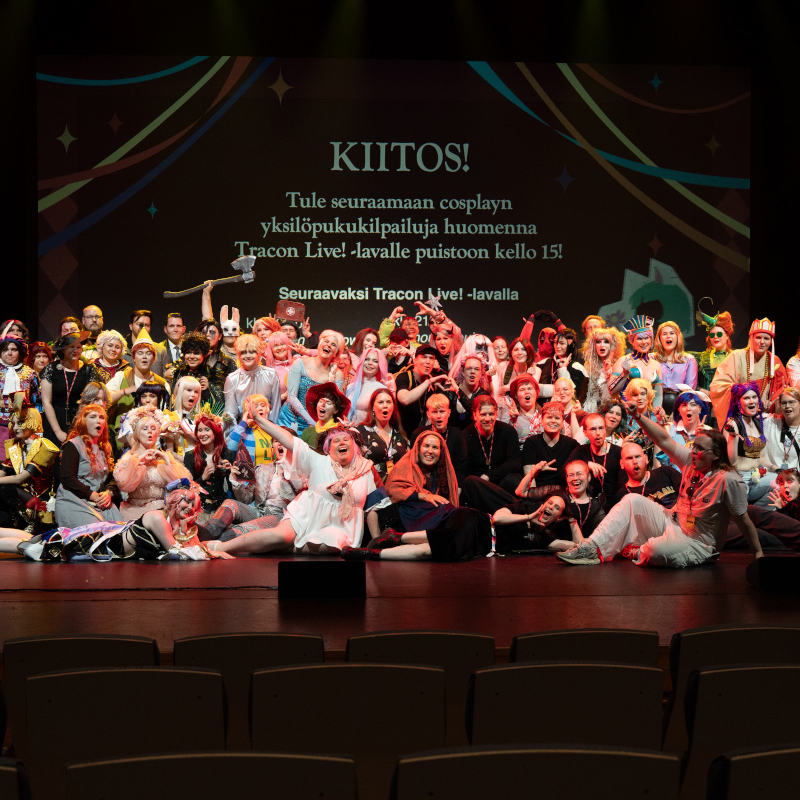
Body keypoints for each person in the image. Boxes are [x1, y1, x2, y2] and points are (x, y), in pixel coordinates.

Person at [557, 405, 764, 568]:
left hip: (698, 542)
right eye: (694, 447)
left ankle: (638, 551)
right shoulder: (690, 462)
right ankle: (590, 549)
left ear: (716, 455)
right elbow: (663, 438)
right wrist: (638, 416)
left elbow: (743, 520)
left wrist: (758, 554)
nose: (693, 452)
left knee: (654, 552)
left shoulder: (728, 479)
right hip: (672, 521)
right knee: (630, 500)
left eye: (700, 449)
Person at [209, 419, 388, 555]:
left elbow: (372, 508)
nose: (341, 443)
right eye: (335, 441)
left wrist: (376, 541)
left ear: (354, 445)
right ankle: (220, 546)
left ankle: (285, 548)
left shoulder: (366, 469)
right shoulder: (320, 461)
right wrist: (259, 419)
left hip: (340, 526)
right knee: (279, 536)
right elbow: (289, 440)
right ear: (328, 449)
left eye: (346, 439)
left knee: (335, 543)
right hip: (305, 515)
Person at [341, 431, 491, 562]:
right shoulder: (406, 468)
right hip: (429, 521)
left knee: (436, 546)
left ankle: (379, 549)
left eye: (435, 447)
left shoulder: (443, 475)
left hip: (442, 531)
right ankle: (388, 540)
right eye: (426, 446)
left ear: (441, 452)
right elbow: (382, 496)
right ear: (418, 449)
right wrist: (422, 496)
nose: (430, 451)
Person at [203, 434, 304, 541]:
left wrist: (288, 467)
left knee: (242, 529)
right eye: (276, 440)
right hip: (259, 512)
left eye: (284, 440)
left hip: (281, 516)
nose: (280, 443)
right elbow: (245, 499)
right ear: (272, 448)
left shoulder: (301, 472)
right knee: (230, 503)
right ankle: (204, 532)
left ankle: (203, 540)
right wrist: (236, 480)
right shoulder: (262, 469)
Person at [113, 407, 192, 522]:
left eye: (153, 428)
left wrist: (167, 460)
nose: (150, 432)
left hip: (164, 510)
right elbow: (123, 484)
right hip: (137, 511)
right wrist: (138, 460)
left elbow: (185, 483)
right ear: (137, 433)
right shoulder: (130, 457)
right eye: (145, 429)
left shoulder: (162, 457)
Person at [710, 317, 787, 426]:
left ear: (771, 342)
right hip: (739, 416)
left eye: (766, 338)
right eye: (758, 337)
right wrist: (734, 389)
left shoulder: (775, 361)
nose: (762, 342)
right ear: (751, 338)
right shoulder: (736, 356)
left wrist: (770, 404)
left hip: (765, 417)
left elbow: (782, 389)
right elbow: (717, 385)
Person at [55, 405, 123, 527]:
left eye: (101, 417)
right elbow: (67, 478)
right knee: (96, 532)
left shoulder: (105, 449)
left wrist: (108, 493)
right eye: (93, 417)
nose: (98, 421)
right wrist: (92, 495)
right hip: (74, 501)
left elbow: (112, 479)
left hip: (99, 503)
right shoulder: (73, 445)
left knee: (120, 531)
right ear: (83, 422)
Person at [106, 328, 169, 450]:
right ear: (133, 357)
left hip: (154, 443)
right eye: (140, 353)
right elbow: (104, 400)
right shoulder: (121, 377)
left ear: (154, 358)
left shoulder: (162, 384)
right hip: (124, 444)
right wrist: (124, 392)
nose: (144, 357)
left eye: (148, 353)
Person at [0, 409, 59, 532]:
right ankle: (19, 519)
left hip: (40, 499)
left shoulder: (44, 446)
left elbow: (20, 478)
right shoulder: (15, 446)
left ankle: (33, 522)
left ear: (32, 422)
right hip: (20, 498)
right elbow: (3, 471)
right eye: (13, 423)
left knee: (5, 488)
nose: (15, 428)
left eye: (20, 423)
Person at [276, 329, 345, 433]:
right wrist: (311, 421)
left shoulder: (338, 374)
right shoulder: (299, 363)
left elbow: (332, 405)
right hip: (288, 420)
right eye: (326, 341)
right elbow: (291, 396)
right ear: (319, 345)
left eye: (333, 344)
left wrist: (316, 424)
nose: (329, 345)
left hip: (314, 427)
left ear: (336, 353)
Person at [40, 330, 100, 446]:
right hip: (55, 420)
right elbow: (46, 402)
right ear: (63, 349)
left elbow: (93, 402)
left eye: (78, 347)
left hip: (80, 420)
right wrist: (57, 431)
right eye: (71, 347)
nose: (75, 351)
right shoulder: (51, 370)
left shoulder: (88, 370)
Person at [722, 382, 776, 505]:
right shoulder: (733, 423)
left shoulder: (757, 423)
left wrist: (776, 468)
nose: (751, 401)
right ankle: (747, 517)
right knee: (739, 512)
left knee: (779, 483)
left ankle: (756, 515)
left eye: (754, 397)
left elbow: (761, 457)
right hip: (739, 478)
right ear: (738, 402)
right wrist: (732, 437)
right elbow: (731, 461)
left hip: (756, 476)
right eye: (746, 398)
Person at [462, 396, 522, 493]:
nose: (487, 419)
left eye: (491, 414)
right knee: (470, 483)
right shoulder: (465, 436)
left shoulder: (507, 431)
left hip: (501, 479)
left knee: (514, 480)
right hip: (479, 483)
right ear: (474, 415)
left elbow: (515, 462)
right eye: (483, 414)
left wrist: (489, 476)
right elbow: (465, 470)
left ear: (496, 414)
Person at [410, 393, 468, 489]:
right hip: (423, 484)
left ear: (449, 413)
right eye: (434, 412)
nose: (438, 416)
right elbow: (413, 463)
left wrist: (457, 490)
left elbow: (461, 467)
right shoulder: (419, 434)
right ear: (428, 414)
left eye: (442, 411)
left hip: (449, 484)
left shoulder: (457, 435)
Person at [223, 333, 282, 423]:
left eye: (252, 352)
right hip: (243, 429)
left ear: (259, 353)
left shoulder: (271, 374)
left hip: (268, 429)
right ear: (238, 355)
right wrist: (237, 433)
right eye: (243, 352)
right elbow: (231, 412)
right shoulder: (232, 379)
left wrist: (273, 432)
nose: (248, 356)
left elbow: (275, 408)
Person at [182, 413, 231, 520]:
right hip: (199, 508)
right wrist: (202, 478)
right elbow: (186, 489)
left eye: (207, 430)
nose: (202, 434)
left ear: (215, 431)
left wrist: (231, 473)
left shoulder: (227, 454)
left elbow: (234, 489)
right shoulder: (190, 456)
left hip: (222, 507)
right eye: (200, 430)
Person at [395, 345, 452, 435]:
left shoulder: (434, 382)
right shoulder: (405, 377)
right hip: (402, 435)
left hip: (423, 437)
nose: (428, 362)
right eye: (424, 357)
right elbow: (404, 399)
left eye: (431, 358)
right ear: (415, 360)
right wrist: (428, 382)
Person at [610, 315, 663, 410]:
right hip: (627, 413)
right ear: (632, 341)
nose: (644, 342)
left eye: (647, 338)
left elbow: (658, 396)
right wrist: (624, 374)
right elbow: (611, 391)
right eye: (639, 339)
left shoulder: (656, 365)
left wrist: (656, 413)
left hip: (647, 415)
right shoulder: (623, 361)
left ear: (651, 339)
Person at [355, 388, 410, 481]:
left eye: (389, 402)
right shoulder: (360, 432)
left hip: (396, 489)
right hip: (371, 488)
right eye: (380, 402)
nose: (385, 406)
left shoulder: (401, 436)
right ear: (372, 407)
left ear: (393, 407)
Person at [608, 442, 681, 510]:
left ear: (646, 459)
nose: (635, 462)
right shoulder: (621, 497)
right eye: (629, 458)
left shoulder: (665, 472)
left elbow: (688, 494)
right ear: (622, 464)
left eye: (638, 456)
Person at [568, 413, 623, 504]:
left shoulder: (618, 452)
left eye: (601, 428)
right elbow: (563, 473)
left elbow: (624, 484)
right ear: (585, 432)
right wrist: (586, 464)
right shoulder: (581, 451)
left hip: (614, 503)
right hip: (587, 503)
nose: (598, 433)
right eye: (593, 429)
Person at [1, 329, 40, 448]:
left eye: (14, 350)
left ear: (20, 352)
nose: (10, 353)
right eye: (5, 350)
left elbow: (36, 402)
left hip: (23, 428)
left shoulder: (30, 373)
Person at [171, 331, 224, 410]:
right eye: (188, 352)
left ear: (205, 355)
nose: (192, 357)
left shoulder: (213, 375)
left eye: (196, 353)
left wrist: (207, 389)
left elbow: (219, 407)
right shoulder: (179, 373)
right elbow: (173, 401)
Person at [654, 321, 698, 416]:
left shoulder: (689, 360)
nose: (668, 336)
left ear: (678, 337)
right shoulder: (652, 359)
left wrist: (678, 412)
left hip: (679, 404)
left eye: (672, 333)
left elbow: (689, 390)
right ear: (659, 338)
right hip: (655, 403)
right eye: (664, 334)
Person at [581, 327, 626, 413]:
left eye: (606, 342)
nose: (602, 345)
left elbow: (612, 393)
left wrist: (609, 371)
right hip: (591, 410)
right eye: (598, 342)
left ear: (612, 346)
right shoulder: (589, 365)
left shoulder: (618, 366)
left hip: (610, 410)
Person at [691, 305, 734, 393]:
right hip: (705, 404)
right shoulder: (700, 358)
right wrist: (700, 390)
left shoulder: (735, 357)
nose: (715, 337)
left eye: (719, 334)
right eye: (712, 335)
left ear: (727, 335)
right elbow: (690, 383)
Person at [346, 347, 394, 424]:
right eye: (367, 359)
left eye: (375, 361)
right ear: (362, 362)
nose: (370, 363)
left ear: (379, 366)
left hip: (368, 434)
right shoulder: (350, 386)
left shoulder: (381, 389)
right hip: (348, 432)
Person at [538, 327, 587, 402]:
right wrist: (558, 390)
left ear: (570, 345)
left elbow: (574, 393)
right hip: (543, 410)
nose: (557, 346)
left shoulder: (578, 368)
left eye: (562, 343)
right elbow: (533, 389)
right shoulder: (542, 363)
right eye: (555, 342)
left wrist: (563, 370)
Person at [624, 378, 665, 466]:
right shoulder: (623, 418)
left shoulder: (655, 418)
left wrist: (661, 423)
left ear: (649, 396)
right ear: (629, 397)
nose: (639, 398)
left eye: (643, 394)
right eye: (635, 395)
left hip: (651, 465)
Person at [301, 382, 351, 450]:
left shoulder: (337, 433)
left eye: (328, 403)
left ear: (336, 410)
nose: (323, 404)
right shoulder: (307, 432)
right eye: (321, 401)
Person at [763, 387, 800, 473]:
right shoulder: (770, 422)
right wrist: (761, 409)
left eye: (791, 402)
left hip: (794, 481)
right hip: (771, 479)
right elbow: (747, 418)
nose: (787, 406)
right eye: (784, 403)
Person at [450, 354, 492, 430]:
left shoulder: (484, 396)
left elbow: (474, 412)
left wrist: (458, 390)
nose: (472, 371)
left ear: (481, 374)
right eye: (469, 368)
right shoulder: (450, 392)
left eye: (476, 369)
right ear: (463, 372)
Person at [668, 389, 713, 454]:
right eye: (684, 405)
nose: (688, 409)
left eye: (693, 404)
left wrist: (702, 437)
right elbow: (658, 462)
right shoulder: (669, 430)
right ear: (678, 410)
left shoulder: (708, 432)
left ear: (700, 408)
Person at [126, 309, 169, 377]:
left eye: (147, 325)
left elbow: (167, 377)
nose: (143, 327)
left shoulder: (161, 351)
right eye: (139, 324)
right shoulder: (122, 350)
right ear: (131, 326)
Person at [505, 375, 542, 447]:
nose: (526, 392)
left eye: (529, 388)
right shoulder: (509, 416)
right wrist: (513, 421)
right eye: (522, 389)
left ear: (536, 393)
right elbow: (505, 441)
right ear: (516, 396)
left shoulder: (545, 416)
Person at [159, 312, 187, 380]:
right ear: (165, 329)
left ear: (184, 329)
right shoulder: (158, 349)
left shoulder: (190, 350)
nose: (175, 330)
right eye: (171, 326)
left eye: (178, 326)